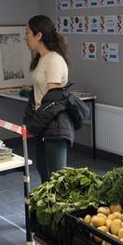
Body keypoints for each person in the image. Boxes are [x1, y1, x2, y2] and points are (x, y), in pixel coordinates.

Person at [23, 15, 73, 183]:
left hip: (54, 125)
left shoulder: (54, 60)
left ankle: (59, 210)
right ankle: (48, 209)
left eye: (28, 32)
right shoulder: (42, 59)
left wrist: (35, 124)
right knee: (44, 172)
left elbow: (54, 101)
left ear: (39, 35)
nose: (25, 37)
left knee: (56, 178)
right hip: (42, 124)